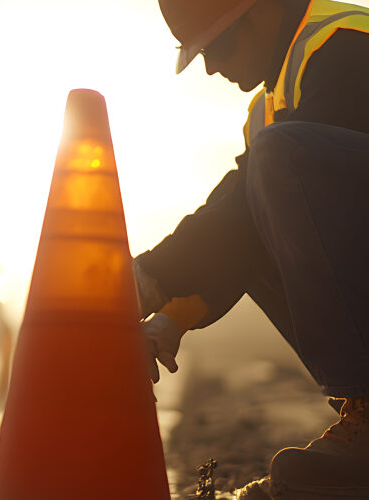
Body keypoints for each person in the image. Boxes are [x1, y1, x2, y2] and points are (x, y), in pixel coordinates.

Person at [135, 0, 369, 497]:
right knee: (265, 199)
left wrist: (153, 275)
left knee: (276, 165)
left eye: (217, 44)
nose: (212, 66)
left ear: (262, 8)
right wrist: (171, 319)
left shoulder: (348, 43)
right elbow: (244, 228)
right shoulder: (269, 109)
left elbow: (251, 200)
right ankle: (362, 413)